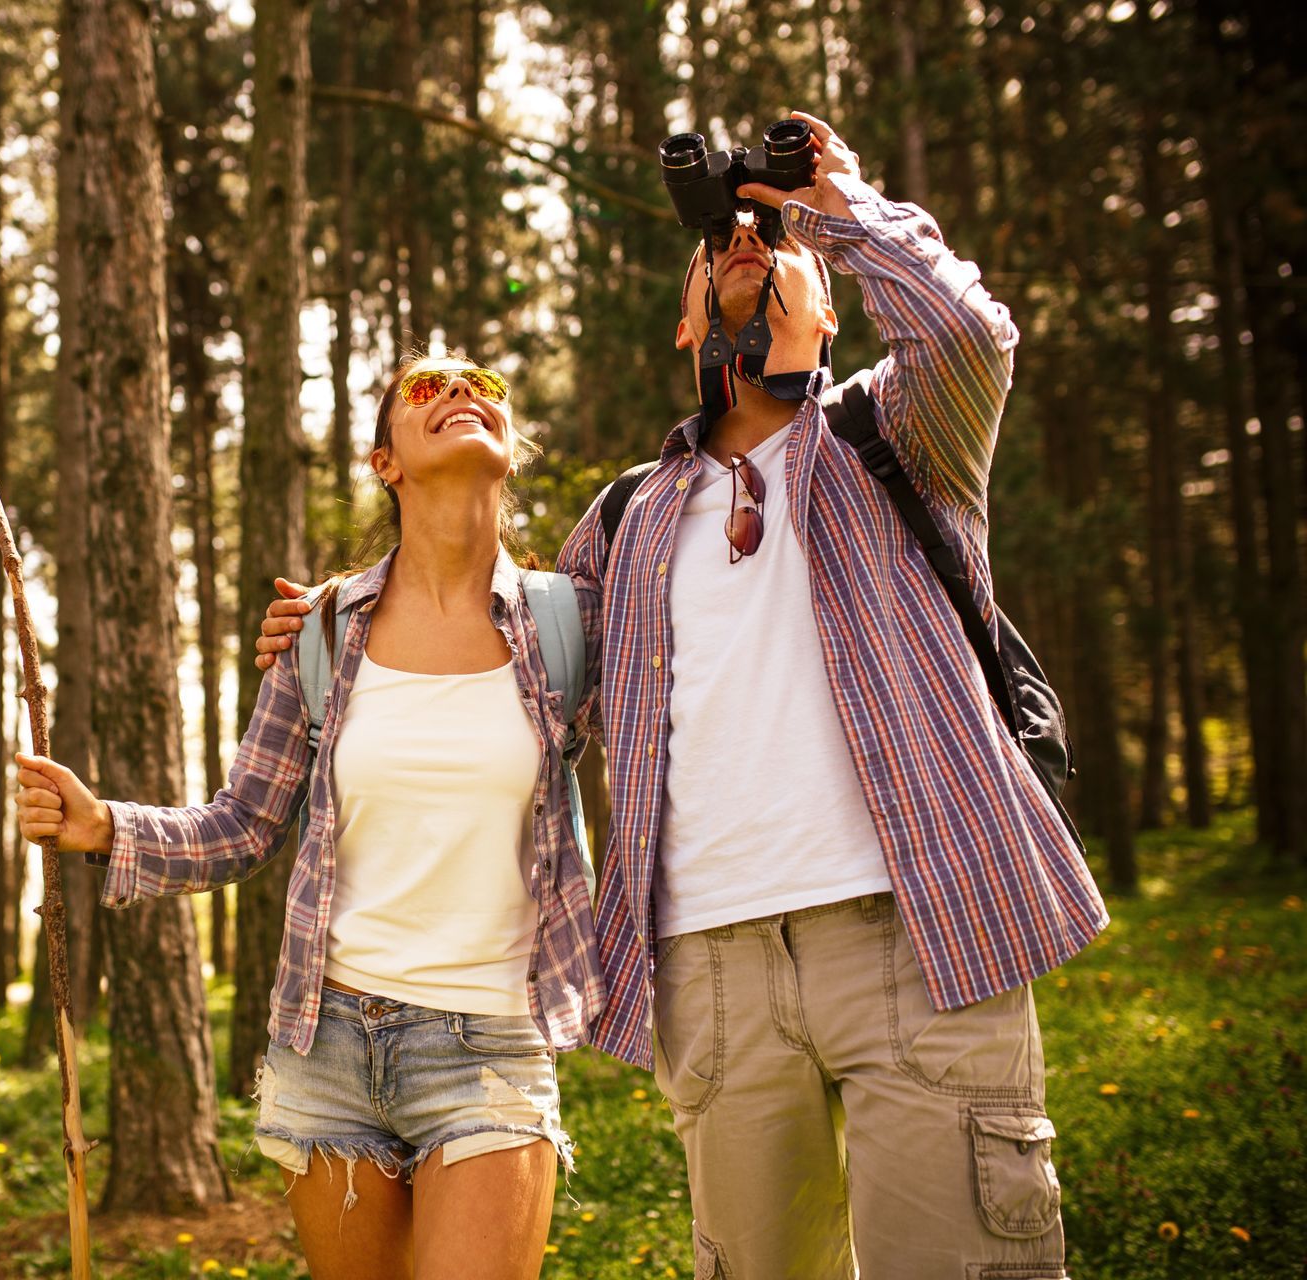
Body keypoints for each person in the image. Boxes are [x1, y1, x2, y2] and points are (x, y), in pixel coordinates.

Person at [252, 112, 1107, 1279]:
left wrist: (832, 205)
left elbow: (966, 328)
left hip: (917, 933)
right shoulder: (626, 519)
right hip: (709, 970)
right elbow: (496, 652)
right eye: (720, 243)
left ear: (830, 305)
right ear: (685, 324)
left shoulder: (902, 438)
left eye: (774, 244)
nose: (745, 243)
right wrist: (340, 615)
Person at [16, 353, 604, 1280]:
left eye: (484, 385)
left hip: (491, 1042)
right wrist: (106, 828)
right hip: (325, 1046)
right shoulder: (325, 631)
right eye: (426, 388)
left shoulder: (571, 624)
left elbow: (666, 762)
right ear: (384, 463)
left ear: (512, 443)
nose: (460, 393)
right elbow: (243, 825)